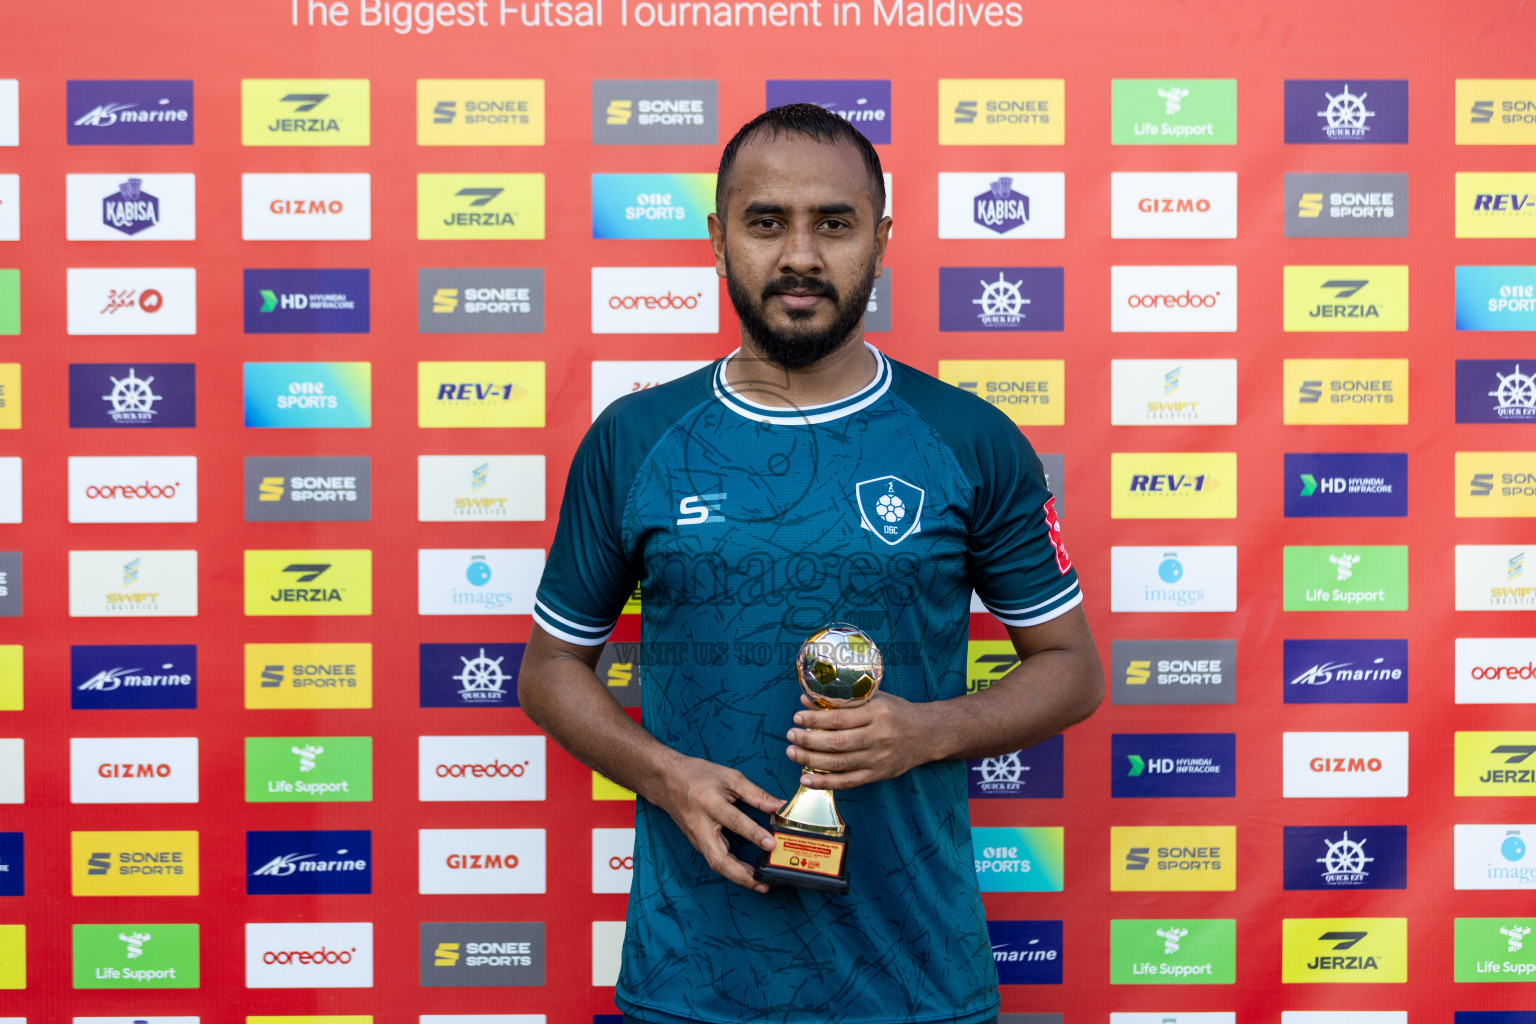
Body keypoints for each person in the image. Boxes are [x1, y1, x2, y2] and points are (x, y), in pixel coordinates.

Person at [518, 103, 1103, 1024]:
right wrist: (663, 772)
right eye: (766, 223)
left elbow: (1072, 671)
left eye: (833, 223)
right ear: (717, 239)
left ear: (882, 238)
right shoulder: (635, 440)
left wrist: (927, 731)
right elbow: (550, 670)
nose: (800, 255)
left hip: (916, 981)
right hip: (692, 982)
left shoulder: (969, 439)